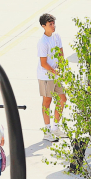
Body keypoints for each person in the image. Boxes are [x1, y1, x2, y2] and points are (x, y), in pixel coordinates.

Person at [36, 13, 67, 141]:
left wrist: (61, 66)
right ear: (43, 26)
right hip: (46, 76)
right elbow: (43, 63)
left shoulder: (56, 36)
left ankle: (56, 127)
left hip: (56, 75)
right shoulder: (42, 42)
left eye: (53, 23)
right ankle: (47, 131)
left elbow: (61, 53)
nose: (53, 26)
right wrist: (55, 71)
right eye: (50, 24)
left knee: (63, 99)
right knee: (47, 102)